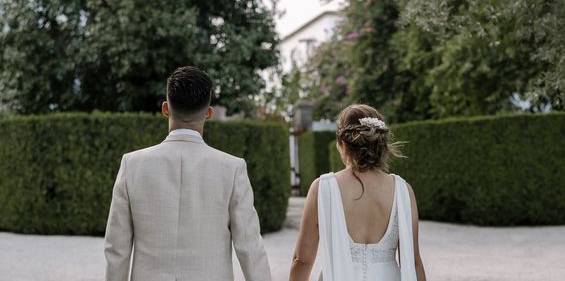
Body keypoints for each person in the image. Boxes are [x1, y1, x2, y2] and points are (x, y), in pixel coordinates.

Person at [104, 66, 270, 281]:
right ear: (208, 113)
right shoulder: (232, 168)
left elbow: (116, 248)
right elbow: (250, 247)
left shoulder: (132, 164)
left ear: (165, 108)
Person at [289, 104, 427, 281]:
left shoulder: (322, 187)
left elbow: (302, 260)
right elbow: (414, 263)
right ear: (381, 143)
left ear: (342, 144)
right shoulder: (403, 190)